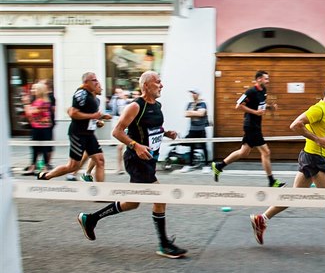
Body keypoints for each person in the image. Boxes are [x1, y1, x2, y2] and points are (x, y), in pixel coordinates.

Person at [77, 71, 187, 259]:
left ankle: (90, 219)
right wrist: (135, 146)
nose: (161, 85)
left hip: (149, 159)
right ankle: (163, 244)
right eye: (157, 82)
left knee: (132, 203)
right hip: (136, 160)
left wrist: (166, 133)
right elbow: (117, 132)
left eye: (161, 82)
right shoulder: (136, 106)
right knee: (160, 197)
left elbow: (153, 128)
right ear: (145, 86)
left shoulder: (157, 105)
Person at [249, 80, 325, 251]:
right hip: (314, 159)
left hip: (309, 156)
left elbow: (322, 130)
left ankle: (262, 219)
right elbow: (295, 125)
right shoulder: (318, 109)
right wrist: (317, 139)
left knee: (294, 196)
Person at [211, 70, 285, 187]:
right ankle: (271, 181)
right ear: (259, 79)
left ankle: (219, 166)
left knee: (243, 152)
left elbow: (261, 105)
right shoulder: (250, 91)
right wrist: (255, 112)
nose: (268, 81)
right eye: (266, 79)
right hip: (251, 125)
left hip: (256, 125)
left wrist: (270, 107)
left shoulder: (263, 91)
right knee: (266, 152)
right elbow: (238, 106)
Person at [37, 72, 110, 182]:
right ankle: (47, 176)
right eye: (94, 80)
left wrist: (100, 118)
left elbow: (89, 116)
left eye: (97, 80)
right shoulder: (81, 94)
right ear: (86, 82)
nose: (97, 83)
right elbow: (72, 113)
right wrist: (93, 116)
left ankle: (100, 192)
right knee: (73, 166)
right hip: (78, 134)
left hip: (89, 134)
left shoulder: (94, 98)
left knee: (100, 160)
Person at [21, 83, 54, 175]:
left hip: (43, 129)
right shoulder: (37, 101)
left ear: (40, 90)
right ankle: (34, 166)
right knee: (35, 148)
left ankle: (44, 167)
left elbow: (30, 113)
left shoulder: (43, 102)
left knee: (44, 148)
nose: (32, 91)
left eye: (34, 89)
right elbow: (31, 116)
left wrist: (26, 103)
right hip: (37, 127)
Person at [180, 89, 210, 173]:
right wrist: (195, 111)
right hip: (192, 129)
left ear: (198, 94)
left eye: (194, 93)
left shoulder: (203, 104)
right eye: (192, 94)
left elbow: (201, 114)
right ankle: (189, 165)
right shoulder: (190, 104)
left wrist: (192, 113)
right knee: (191, 147)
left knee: (204, 147)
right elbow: (186, 114)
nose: (193, 95)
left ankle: (206, 166)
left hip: (201, 129)